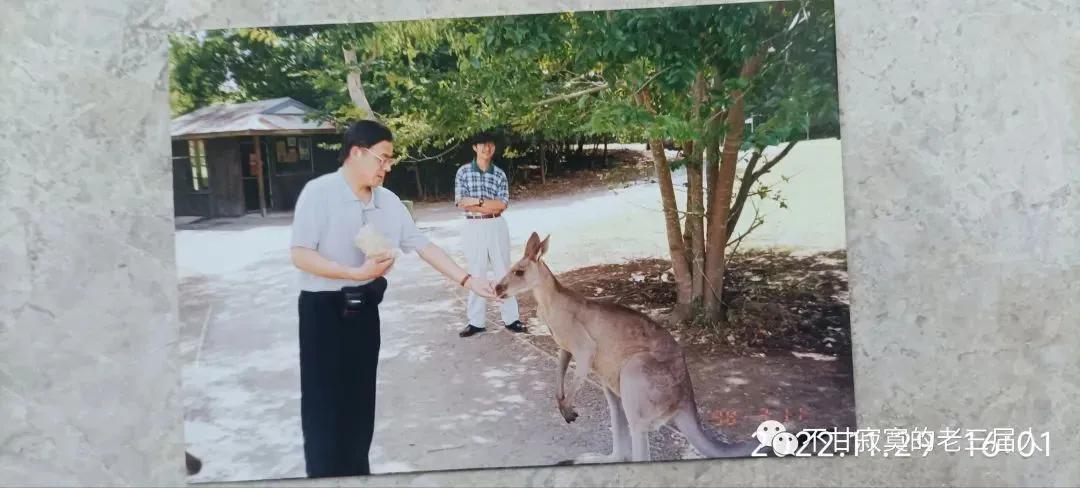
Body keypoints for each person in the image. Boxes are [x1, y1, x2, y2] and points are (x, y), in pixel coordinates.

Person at [289, 119, 498, 478]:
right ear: (357, 153)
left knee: (359, 405)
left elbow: (422, 245)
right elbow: (301, 254)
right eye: (382, 159)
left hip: (365, 309)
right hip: (322, 311)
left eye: (390, 160)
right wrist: (353, 272)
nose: (387, 167)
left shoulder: (388, 202)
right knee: (324, 408)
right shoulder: (318, 192)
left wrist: (467, 279)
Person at [453, 130, 527, 338]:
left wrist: (476, 202)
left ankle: (511, 319)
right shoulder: (464, 172)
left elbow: (502, 206)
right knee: (477, 272)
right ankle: (476, 322)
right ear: (475, 147)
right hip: (473, 226)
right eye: (482, 144)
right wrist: (486, 205)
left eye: (490, 144)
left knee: (503, 271)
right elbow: (461, 202)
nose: (487, 148)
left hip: (496, 225)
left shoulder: (500, 174)